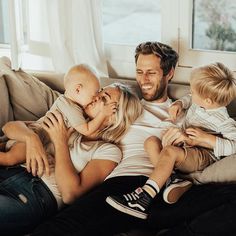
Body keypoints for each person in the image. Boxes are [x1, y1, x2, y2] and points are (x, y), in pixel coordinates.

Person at [31, 41, 236, 236]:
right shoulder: (119, 103)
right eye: (139, 72)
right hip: (124, 188)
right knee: (57, 229)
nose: (144, 79)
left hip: (167, 190)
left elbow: (211, 111)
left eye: (151, 73)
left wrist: (197, 138)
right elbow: (75, 112)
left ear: (169, 73)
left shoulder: (188, 113)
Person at [0, 82, 143, 236]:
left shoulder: (107, 151)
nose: (95, 96)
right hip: (9, 170)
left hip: (33, 195)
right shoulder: (72, 120)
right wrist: (31, 138)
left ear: (114, 116)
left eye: (104, 98)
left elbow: (70, 195)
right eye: (100, 91)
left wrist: (60, 141)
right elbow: (9, 127)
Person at [106, 62, 236, 219]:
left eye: (193, 91)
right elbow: (189, 98)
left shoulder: (224, 121)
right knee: (151, 141)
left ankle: (143, 198)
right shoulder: (201, 102)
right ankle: (172, 181)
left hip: (202, 154)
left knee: (168, 152)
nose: (190, 93)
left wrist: (206, 139)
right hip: (185, 148)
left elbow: (233, 146)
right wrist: (180, 103)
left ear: (207, 101)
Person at [0, 64, 117, 176]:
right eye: (95, 93)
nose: (96, 98)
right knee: (10, 158)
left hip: (36, 138)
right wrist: (103, 113)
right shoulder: (71, 107)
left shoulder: (70, 104)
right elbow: (86, 130)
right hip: (36, 135)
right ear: (77, 90)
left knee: (7, 148)